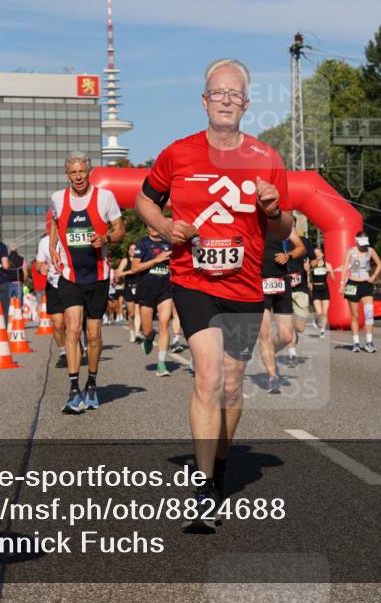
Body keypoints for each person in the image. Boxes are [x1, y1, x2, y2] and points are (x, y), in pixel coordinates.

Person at [135, 58, 292, 533]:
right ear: (204, 101)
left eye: (234, 94)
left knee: (230, 384)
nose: (226, 100)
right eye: (217, 93)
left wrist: (272, 207)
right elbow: (144, 198)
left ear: (246, 103)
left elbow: (285, 228)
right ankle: (204, 490)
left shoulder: (266, 157)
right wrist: (164, 226)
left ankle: (220, 467)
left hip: (244, 285)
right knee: (206, 376)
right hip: (193, 279)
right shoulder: (177, 154)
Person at [48, 152, 124, 413]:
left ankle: (91, 383)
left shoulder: (105, 197)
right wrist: (53, 248)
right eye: (73, 173)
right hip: (70, 276)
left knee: (93, 335)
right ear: (67, 174)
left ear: (89, 172)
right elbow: (55, 223)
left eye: (82, 172)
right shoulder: (59, 198)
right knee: (72, 330)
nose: (78, 177)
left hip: (98, 276)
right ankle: (73, 390)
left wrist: (106, 239)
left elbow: (120, 230)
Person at [258, 231, 306, 393]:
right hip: (258, 282)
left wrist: (289, 255)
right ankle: (273, 377)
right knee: (265, 333)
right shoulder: (250, 221)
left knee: (286, 336)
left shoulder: (282, 224)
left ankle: (267, 351)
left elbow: (300, 247)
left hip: (281, 281)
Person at [133, 227, 175, 376]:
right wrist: (156, 260)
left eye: (156, 225)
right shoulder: (143, 244)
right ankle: (149, 337)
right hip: (146, 290)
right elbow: (134, 268)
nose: (154, 228)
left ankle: (161, 364)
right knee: (147, 330)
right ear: (147, 228)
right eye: (151, 226)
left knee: (164, 324)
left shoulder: (169, 243)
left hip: (165, 289)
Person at [339, 230, 381, 353]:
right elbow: (344, 268)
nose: (363, 246)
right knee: (355, 315)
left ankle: (369, 342)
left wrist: (373, 276)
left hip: (366, 284)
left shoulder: (370, 251)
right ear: (356, 240)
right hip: (353, 284)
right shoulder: (350, 251)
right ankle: (356, 343)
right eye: (361, 243)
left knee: (369, 314)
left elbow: (380, 264)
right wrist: (342, 284)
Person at [36, 212, 68, 368]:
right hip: (53, 285)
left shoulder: (70, 237)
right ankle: (63, 352)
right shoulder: (44, 243)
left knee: (72, 321)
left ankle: (77, 342)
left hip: (71, 283)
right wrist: (41, 267)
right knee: (58, 323)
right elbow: (37, 263)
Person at [286, 231, 313, 364]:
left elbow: (313, 260)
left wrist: (309, 269)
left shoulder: (304, 241)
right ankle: (292, 353)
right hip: (284, 287)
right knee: (288, 322)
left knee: (300, 327)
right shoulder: (277, 241)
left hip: (300, 287)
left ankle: (292, 329)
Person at [117, 243, 142, 343]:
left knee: (138, 311)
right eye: (131, 249)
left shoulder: (141, 259)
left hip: (140, 287)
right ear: (128, 251)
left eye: (135, 249)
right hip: (129, 288)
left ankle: (137, 333)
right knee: (131, 314)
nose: (133, 251)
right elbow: (118, 273)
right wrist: (129, 272)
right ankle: (132, 331)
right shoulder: (125, 261)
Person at [310, 247, 331, 337]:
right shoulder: (313, 263)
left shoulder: (327, 264)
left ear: (322, 254)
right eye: (315, 253)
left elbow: (333, 278)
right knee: (319, 312)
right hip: (316, 288)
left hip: (324, 288)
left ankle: (322, 331)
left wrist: (330, 272)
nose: (317, 254)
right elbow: (308, 273)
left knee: (325, 312)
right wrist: (309, 282)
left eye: (319, 253)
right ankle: (315, 318)